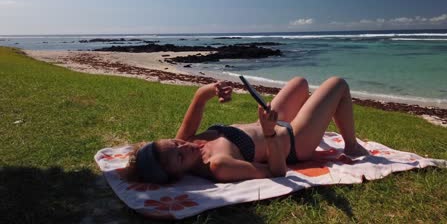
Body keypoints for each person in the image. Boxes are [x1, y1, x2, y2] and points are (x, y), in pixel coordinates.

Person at [126, 76, 369, 184]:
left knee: (300, 82)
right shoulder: (219, 165)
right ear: (178, 175)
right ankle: (352, 146)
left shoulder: (184, 141)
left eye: (175, 143)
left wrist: (213, 90)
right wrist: (269, 132)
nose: (185, 146)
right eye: (180, 157)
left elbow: (198, 100)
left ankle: (319, 114)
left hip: (272, 122)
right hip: (294, 140)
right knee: (338, 84)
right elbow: (276, 172)